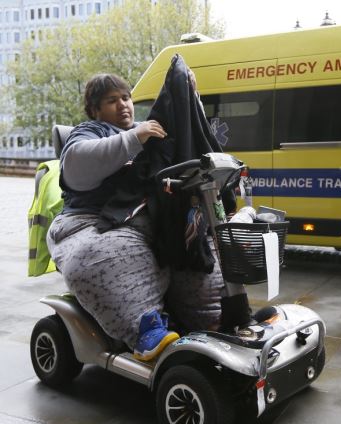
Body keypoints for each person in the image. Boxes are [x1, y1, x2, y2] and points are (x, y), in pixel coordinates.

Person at [46, 72, 225, 361]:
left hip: (151, 220)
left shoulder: (149, 130)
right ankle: (145, 327)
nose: (123, 105)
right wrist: (133, 138)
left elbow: (187, 134)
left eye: (126, 98)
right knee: (101, 256)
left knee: (197, 249)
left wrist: (191, 98)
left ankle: (216, 319)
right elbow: (77, 164)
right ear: (95, 109)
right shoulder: (92, 131)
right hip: (94, 220)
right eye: (112, 100)